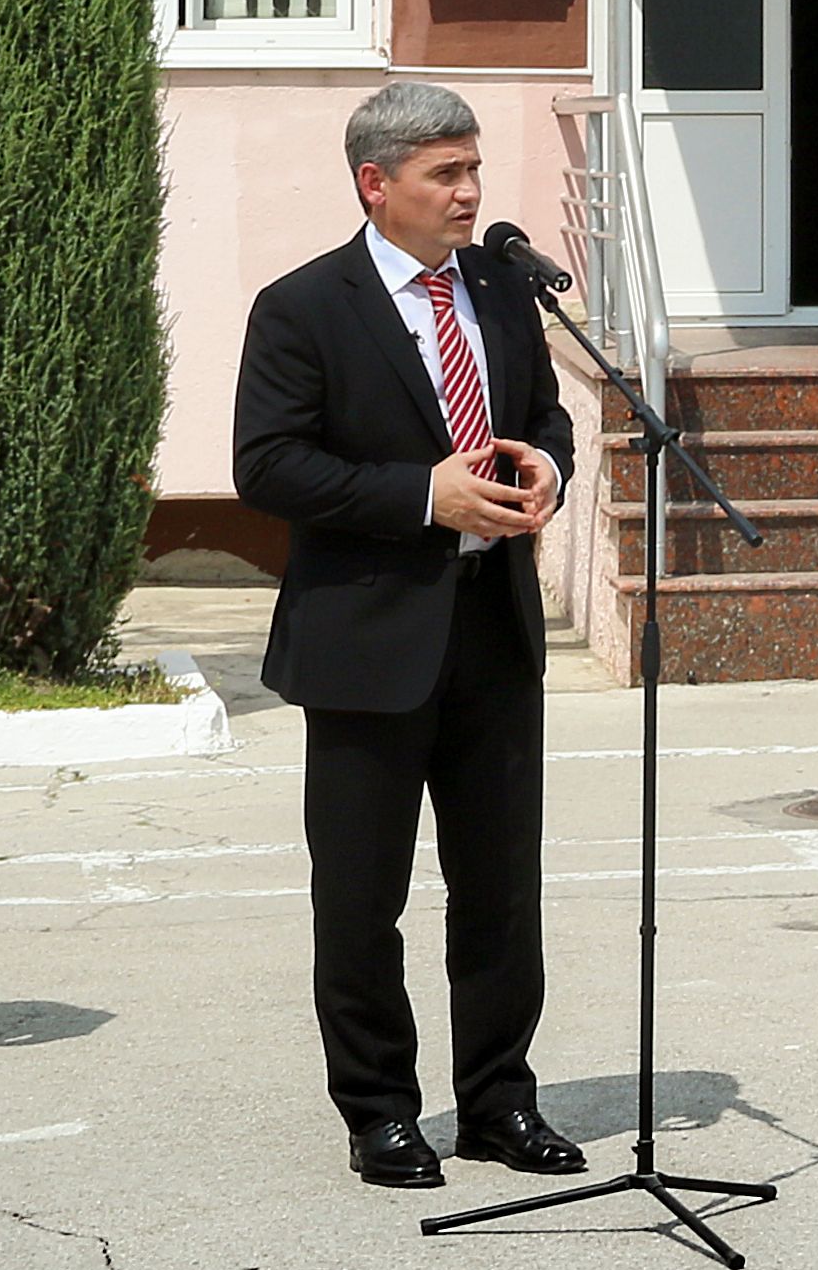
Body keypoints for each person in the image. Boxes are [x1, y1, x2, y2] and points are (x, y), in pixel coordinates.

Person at [234, 81, 583, 1190]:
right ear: (375, 183)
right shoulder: (303, 306)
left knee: (501, 887)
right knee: (360, 895)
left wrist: (548, 464)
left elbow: (544, 413)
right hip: (366, 640)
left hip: (491, 630)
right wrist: (423, 495)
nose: (470, 192)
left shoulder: (501, 286)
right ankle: (379, 1110)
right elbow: (267, 465)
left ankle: (499, 1102)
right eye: (447, 173)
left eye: (474, 168)